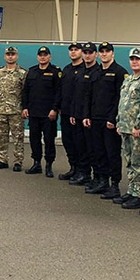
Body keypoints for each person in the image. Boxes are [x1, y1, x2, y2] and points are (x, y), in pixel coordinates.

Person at [113, 48, 140, 208]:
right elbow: (122, 103)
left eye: (138, 59)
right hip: (125, 127)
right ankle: (131, 191)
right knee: (130, 161)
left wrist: (139, 126)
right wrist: (119, 122)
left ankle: (138, 196)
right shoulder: (129, 79)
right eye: (132, 59)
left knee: (139, 162)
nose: (134, 61)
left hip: (136, 129)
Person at [84, 42, 128, 195]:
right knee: (99, 151)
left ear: (113, 54)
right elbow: (89, 96)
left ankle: (114, 185)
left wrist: (113, 118)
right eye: (101, 51)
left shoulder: (119, 72)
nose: (104, 54)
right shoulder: (95, 72)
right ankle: (102, 181)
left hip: (110, 121)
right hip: (95, 119)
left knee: (112, 153)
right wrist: (86, 115)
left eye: (107, 51)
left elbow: (120, 98)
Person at [21, 46, 61, 177]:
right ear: (37, 57)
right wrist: (25, 107)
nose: (42, 57)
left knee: (49, 140)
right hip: (34, 113)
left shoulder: (55, 72)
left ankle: (49, 165)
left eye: (45, 54)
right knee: (34, 139)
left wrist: (54, 109)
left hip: (48, 114)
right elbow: (25, 91)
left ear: (50, 57)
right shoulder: (32, 71)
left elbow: (58, 93)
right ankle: (36, 163)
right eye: (40, 55)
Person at [0, 46, 27, 171]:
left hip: (16, 111)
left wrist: (25, 108)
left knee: (18, 138)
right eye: (8, 54)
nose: (10, 56)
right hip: (1, 111)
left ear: (17, 56)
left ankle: (18, 161)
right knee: (1, 137)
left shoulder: (22, 73)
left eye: (13, 54)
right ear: (5, 56)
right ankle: (2, 159)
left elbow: (26, 93)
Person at [69, 42, 98, 186]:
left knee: (91, 148)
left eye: (90, 52)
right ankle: (83, 173)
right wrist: (74, 113)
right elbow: (76, 95)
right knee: (80, 146)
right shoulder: (80, 72)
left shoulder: (98, 72)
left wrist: (88, 115)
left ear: (95, 54)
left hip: (91, 117)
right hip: (78, 115)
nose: (87, 55)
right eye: (85, 52)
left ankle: (94, 176)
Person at [57, 43, 84, 179]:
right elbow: (61, 90)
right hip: (66, 112)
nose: (73, 52)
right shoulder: (66, 69)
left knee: (79, 143)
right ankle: (73, 167)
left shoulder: (86, 69)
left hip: (79, 114)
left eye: (76, 50)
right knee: (67, 142)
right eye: (71, 50)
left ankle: (82, 170)